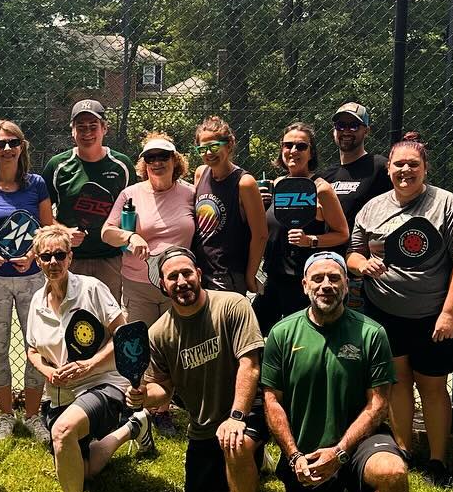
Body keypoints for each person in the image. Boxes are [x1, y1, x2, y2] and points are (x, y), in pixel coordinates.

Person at [261, 253, 411, 492]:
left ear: (347, 285)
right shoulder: (282, 333)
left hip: (357, 441)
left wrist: (341, 452)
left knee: (392, 472)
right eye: (317, 279)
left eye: (334, 278)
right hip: (307, 448)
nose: (326, 285)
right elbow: (271, 402)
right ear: (304, 286)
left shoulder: (371, 333)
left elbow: (378, 404)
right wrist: (294, 454)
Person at [125, 248, 267, 492]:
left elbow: (250, 366)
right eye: (172, 276)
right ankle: (250, 465)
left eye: (187, 273)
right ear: (163, 284)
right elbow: (163, 389)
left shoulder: (232, 305)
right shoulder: (159, 333)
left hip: (245, 411)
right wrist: (142, 396)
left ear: (198, 274)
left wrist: (236, 417)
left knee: (236, 443)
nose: (181, 281)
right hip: (203, 425)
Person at [347, 133, 453, 486]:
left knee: (433, 387)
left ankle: (437, 460)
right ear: (388, 168)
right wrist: (362, 266)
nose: (406, 170)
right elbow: (353, 252)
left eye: (413, 165)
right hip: (384, 312)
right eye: (399, 164)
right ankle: (403, 449)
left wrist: (449, 313)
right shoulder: (372, 208)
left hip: (432, 315)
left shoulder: (447, 205)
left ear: (425, 169)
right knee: (398, 382)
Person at [25, 224, 156, 492]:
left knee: (62, 434)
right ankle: (134, 427)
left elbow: (123, 334)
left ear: (70, 256)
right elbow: (31, 350)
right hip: (61, 394)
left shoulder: (92, 289)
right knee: (84, 471)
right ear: (37, 260)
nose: (53, 261)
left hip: (103, 382)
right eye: (46, 256)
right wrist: (46, 370)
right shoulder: (36, 301)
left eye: (59, 254)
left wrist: (89, 364)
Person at [0, 119, 54, 441]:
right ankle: (5, 415)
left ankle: (32, 416)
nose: (6, 149)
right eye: (0, 144)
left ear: (22, 147)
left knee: (37, 344)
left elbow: (46, 228)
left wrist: (33, 255)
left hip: (32, 279)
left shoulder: (36, 184)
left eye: (12, 143)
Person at [253, 121, 349, 332]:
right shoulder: (277, 184)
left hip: (302, 283)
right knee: (258, 334)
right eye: (288, 145)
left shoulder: (321, 188)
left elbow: (342, 234)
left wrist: (311, 241)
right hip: (272, 276)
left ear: (311, 152)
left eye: (301, 146)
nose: (293, 151)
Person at [42, 99, 134, 302]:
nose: (87, 133)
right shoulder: (58, 166)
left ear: (104, 128)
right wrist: (64, 232)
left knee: (109, 320)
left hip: (111, 258)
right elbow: (42, 214)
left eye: (93, 126)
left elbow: (132, 212)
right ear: (72, 130)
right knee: (68, 317)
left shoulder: (122, 165)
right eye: (81, 127)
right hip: (68, 259)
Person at [101, 133, 197, 327]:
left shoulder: (191, 193)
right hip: (138, 287)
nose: (157, 162)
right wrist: (130, 236)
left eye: (163, 156)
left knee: (177, 347)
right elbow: (106, 232)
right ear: (144, 164)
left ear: (175, 160)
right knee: (140, 348)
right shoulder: (130, 194)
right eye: (150, 158)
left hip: (179, 284)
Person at [191, 116, 266, 294]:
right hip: (199, 270)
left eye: (215, 146)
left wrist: (249, 275)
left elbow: (261, 235)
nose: (209, 153)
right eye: (203, 148)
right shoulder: (201, 173)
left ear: (230, 144)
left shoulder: (244, 183)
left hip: (227, 276)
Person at [320, 101, 392, 228]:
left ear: (366, 131)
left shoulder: (380, 167)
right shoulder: (326, 176)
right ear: (334, 131)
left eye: (354, 126)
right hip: (328, 246)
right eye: (340, 126)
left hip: (364, 246)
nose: (346, 131)